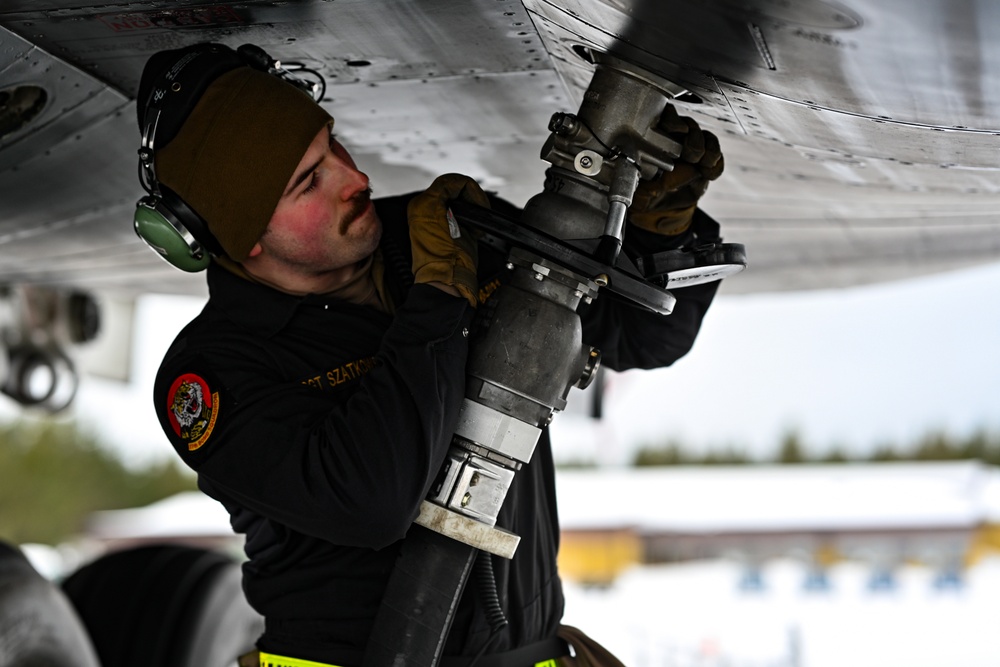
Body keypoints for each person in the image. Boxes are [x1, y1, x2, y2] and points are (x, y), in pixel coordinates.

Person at [143, 42, 724, 667]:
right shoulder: (213, 374)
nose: (354, 177)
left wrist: (663, 230)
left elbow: (643, 337)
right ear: (247, 239)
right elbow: (375, 502)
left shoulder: (438, 231)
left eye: (332, 145)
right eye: (309, 180)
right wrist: (439, 293)